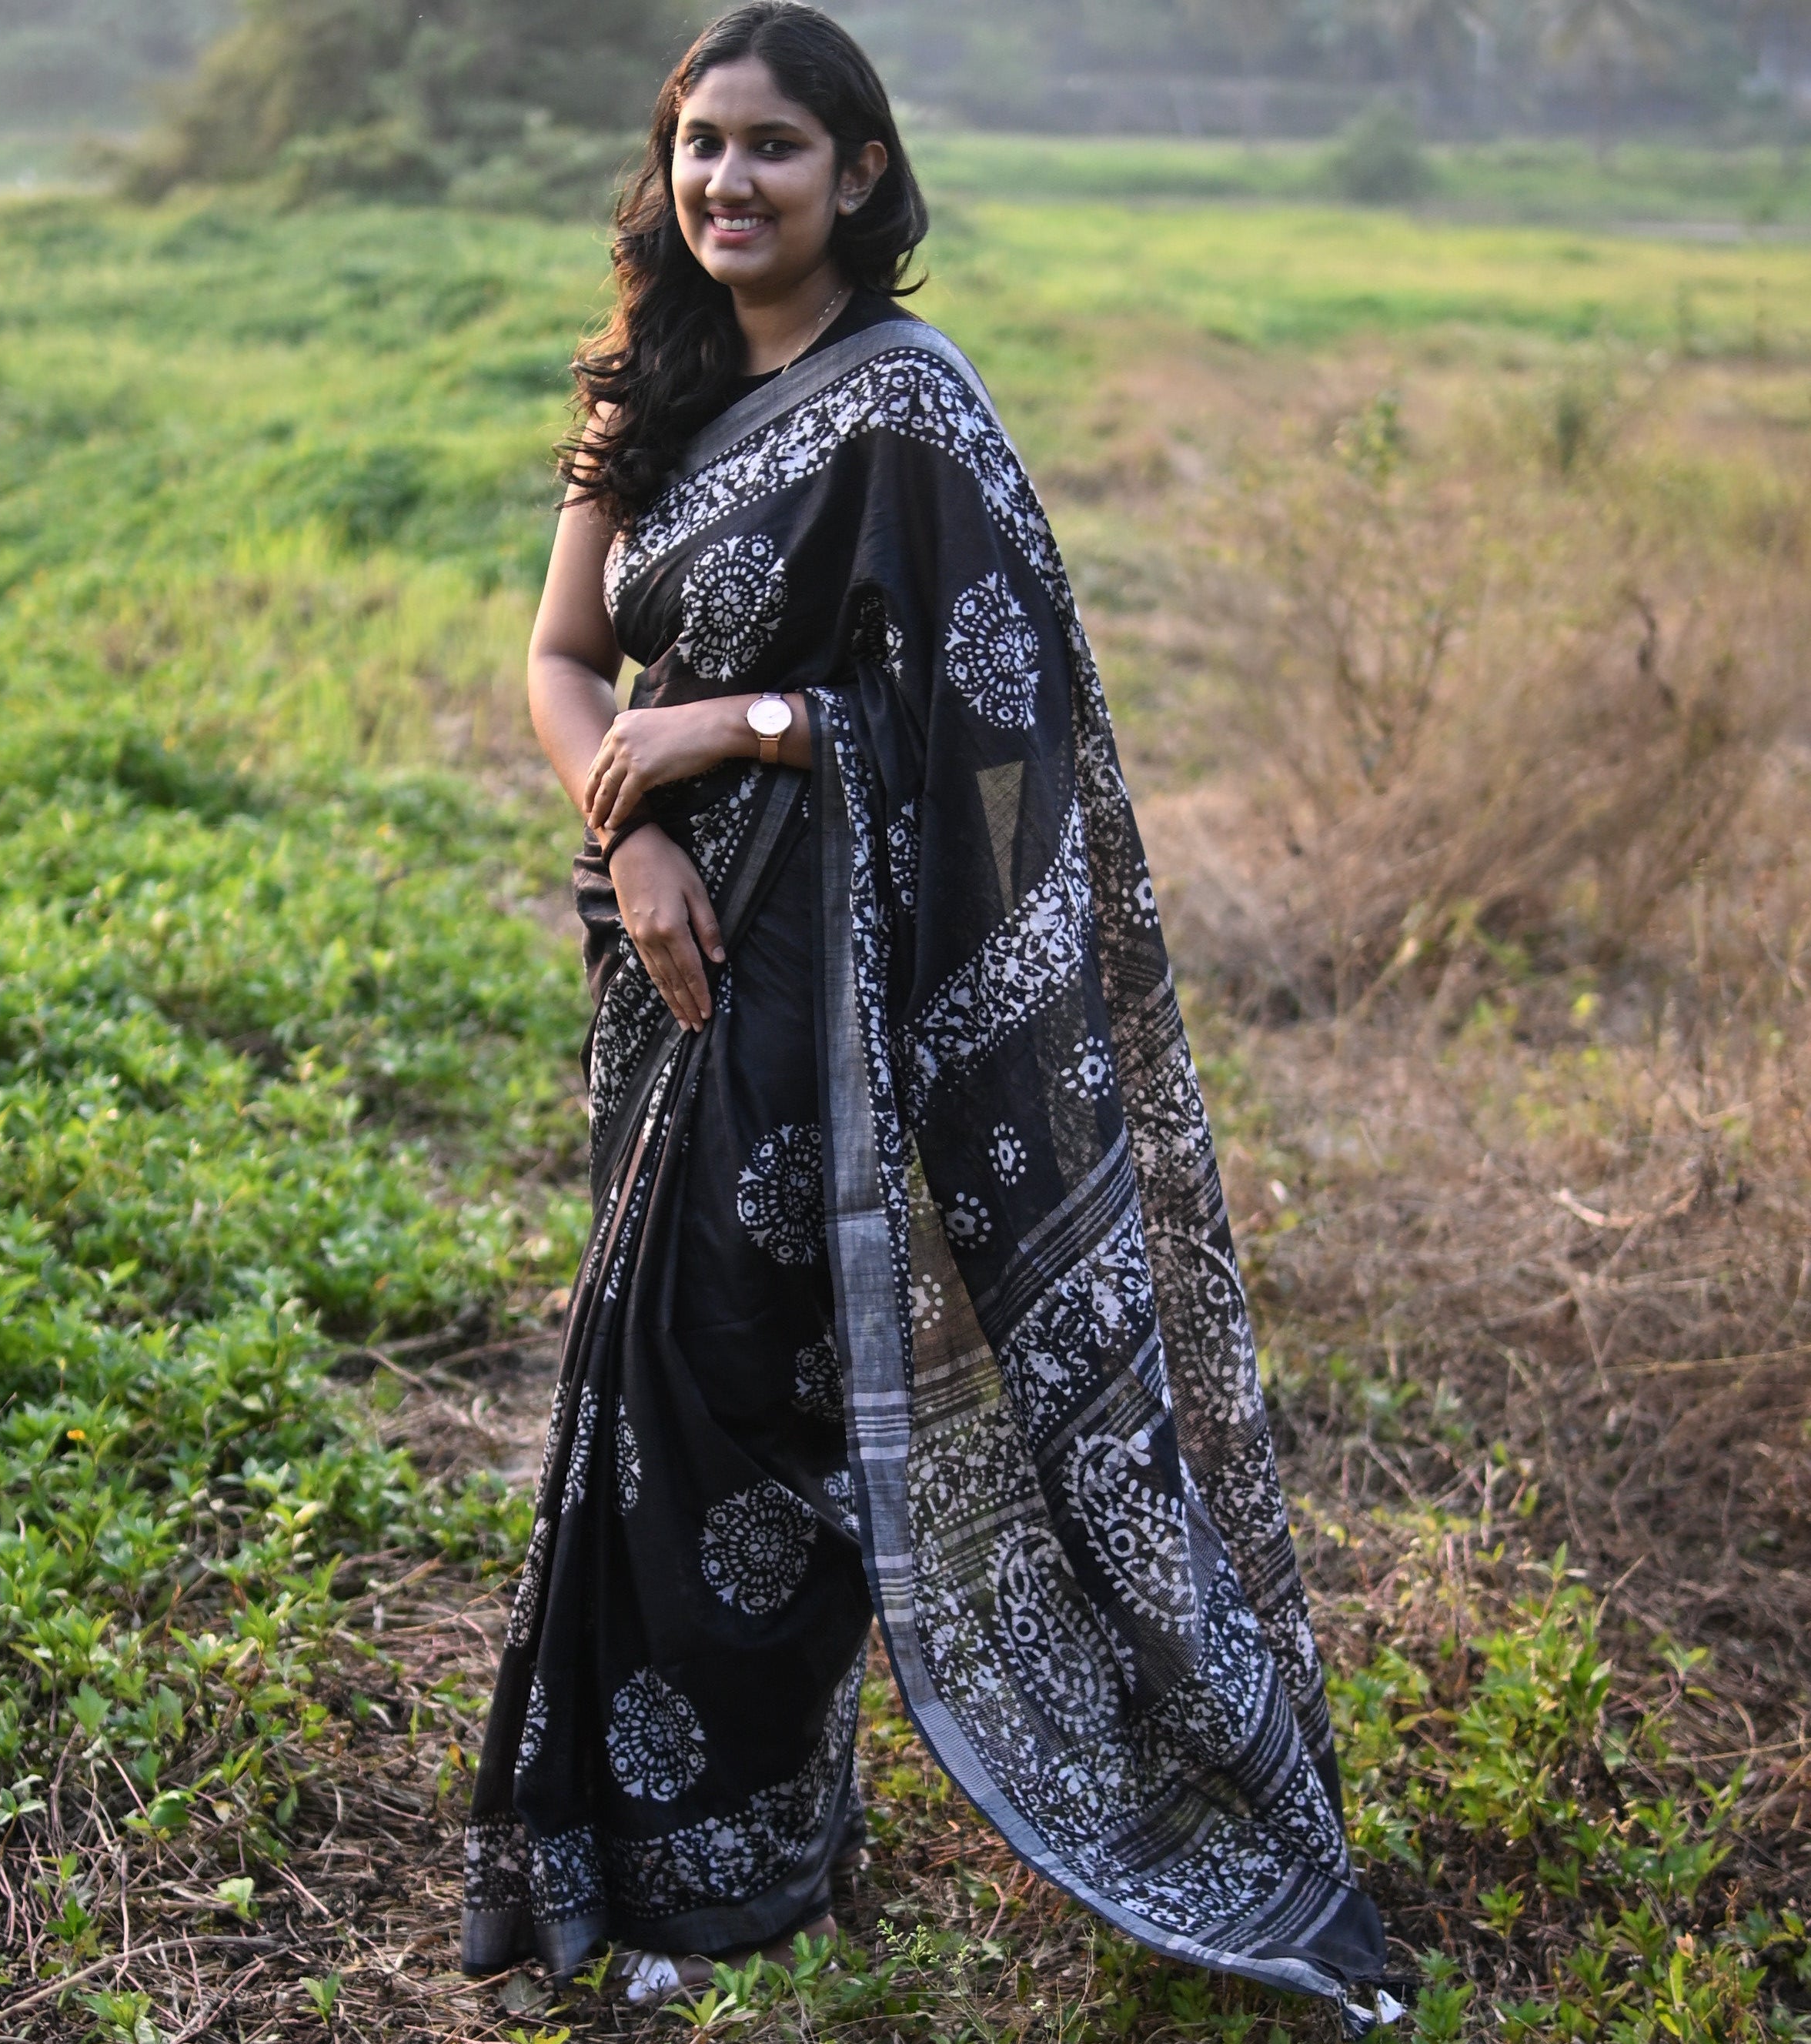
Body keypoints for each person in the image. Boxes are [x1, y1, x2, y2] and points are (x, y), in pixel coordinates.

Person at [462, 4, 1391, 2030]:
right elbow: (556, 660)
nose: (729, 181)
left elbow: (1012, 712)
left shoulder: (909, 409)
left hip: (839, 986)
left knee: (756, 1401)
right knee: (648, 1394)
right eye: (701, 142)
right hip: (665, 955)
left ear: (858, 175)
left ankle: (732, 1880)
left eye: (774, 147)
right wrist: (631, 831)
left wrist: (755, 720)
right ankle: (657, 1862)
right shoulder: (652, 382)